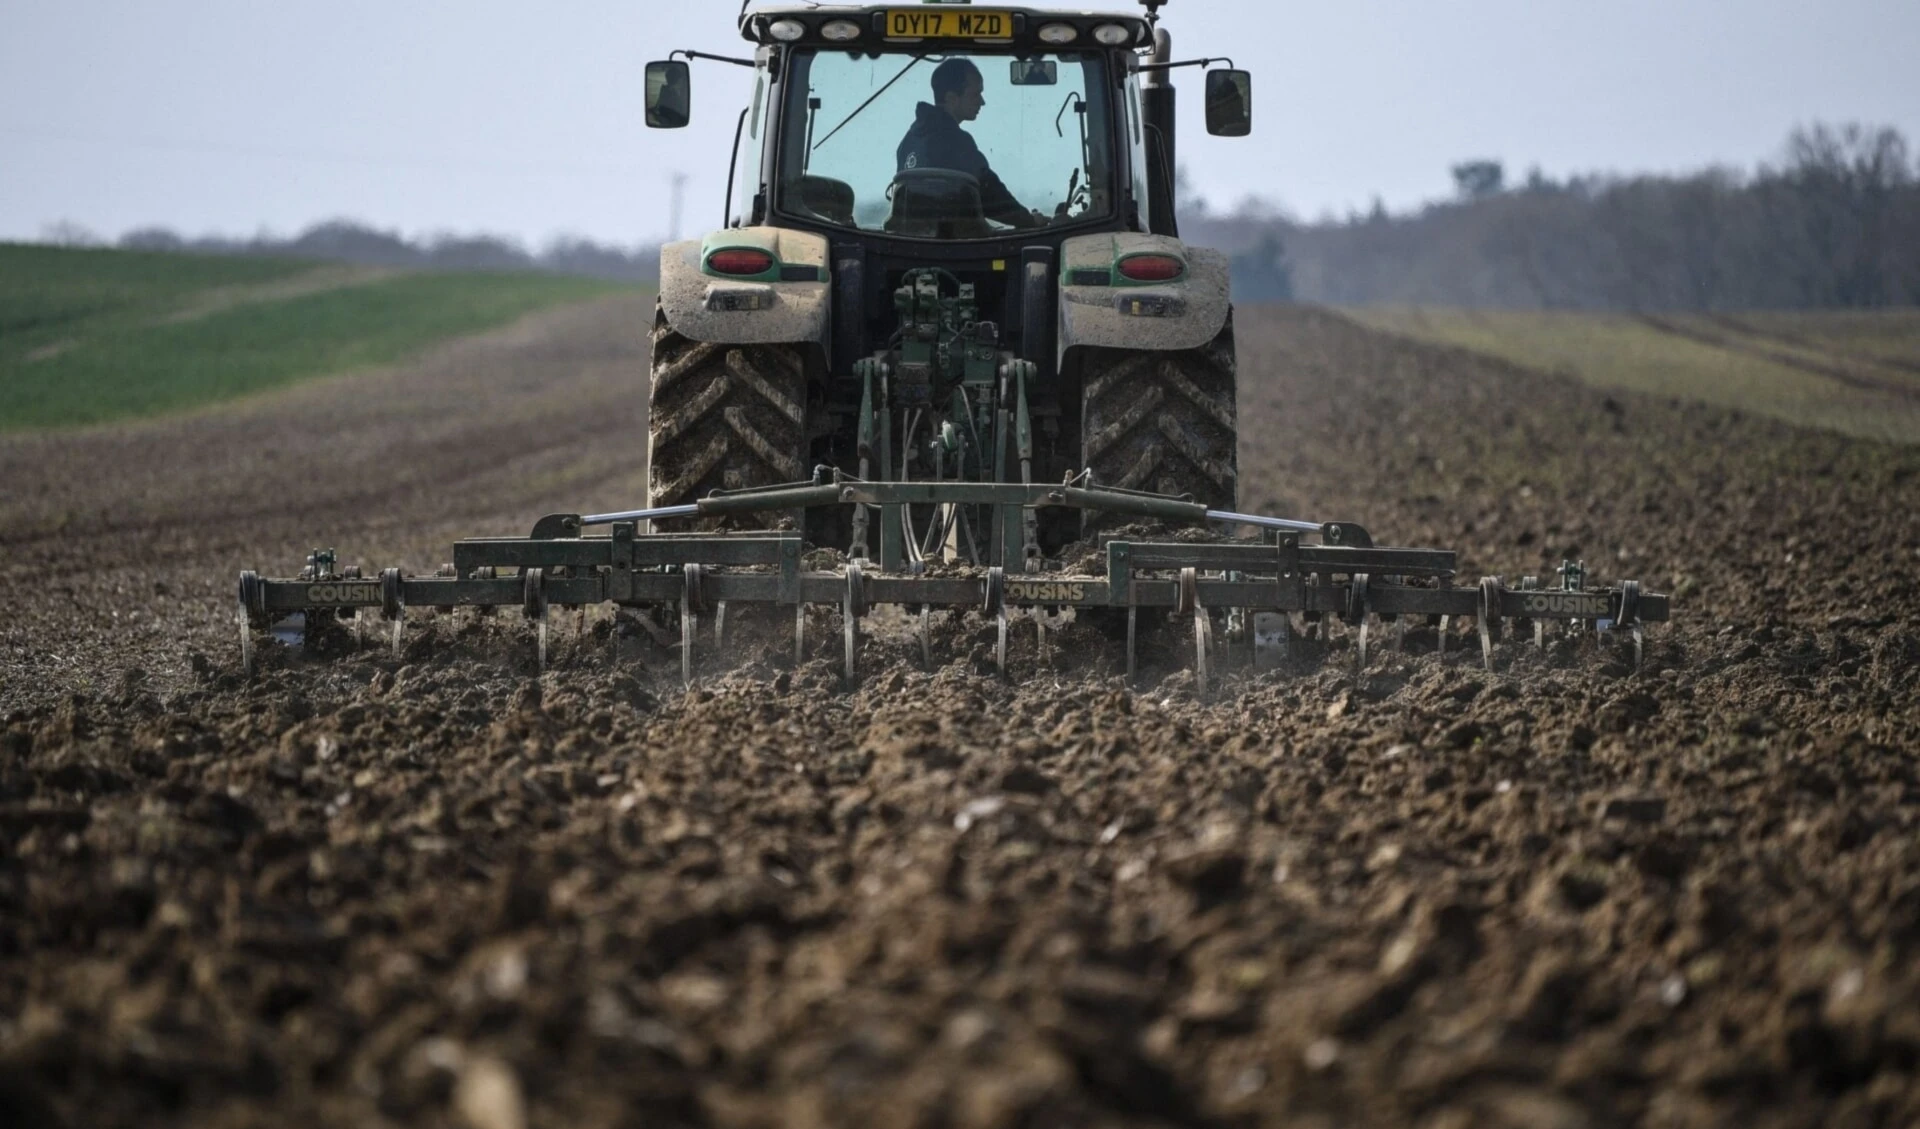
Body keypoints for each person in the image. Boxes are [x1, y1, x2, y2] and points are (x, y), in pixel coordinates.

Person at [895, 57, 1043, 229]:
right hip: (956, 248)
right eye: (975, 94)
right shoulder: (957, 142)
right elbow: (992, 196)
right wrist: (1030, 221)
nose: (982, 101)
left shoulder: (907, 143)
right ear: (951, 98)